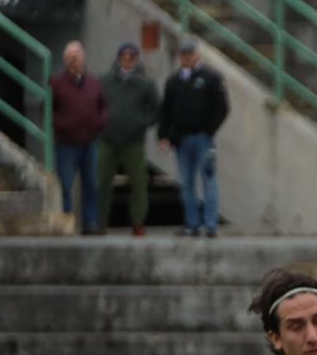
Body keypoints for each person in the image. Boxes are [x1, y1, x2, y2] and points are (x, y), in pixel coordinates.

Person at [159, 38, 229, 238]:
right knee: (186, 183)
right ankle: (192, 224)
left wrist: (209, 129)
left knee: (208, 180)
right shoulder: (174, 81)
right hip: (182, 139)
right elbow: (166, 110)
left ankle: (211, 225)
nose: (187, 57)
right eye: (184, 54)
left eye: (190, 53)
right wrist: (164, 134)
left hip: (203, 138)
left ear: (197, 54)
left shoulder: (211, 77)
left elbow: (222, 107)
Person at [98, 42, 160, 237]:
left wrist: (140, 123)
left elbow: (156, 109)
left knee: (138, 183)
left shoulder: (146, 84)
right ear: (118, 58)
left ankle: (138, 222)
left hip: (134, 142)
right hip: (108, 139)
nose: (127, 59)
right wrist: (102, 123)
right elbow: (95, 105)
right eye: (124, 56)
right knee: (101, 182)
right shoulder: (104, 81)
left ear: (136, 58)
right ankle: (99, 222)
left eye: (131, 56)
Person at [48, 41, 107, 235]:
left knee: (91, 184)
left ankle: (90, 222)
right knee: (65, 184)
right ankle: (67, 221)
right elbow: (46, 108)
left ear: (83, 57)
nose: (73, 60)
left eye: (76, 56)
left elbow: (103, 106)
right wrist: (61, 124)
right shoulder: (56, 82)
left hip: (90, 142)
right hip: (66, 144)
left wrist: (99, 122)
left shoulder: (94, 82)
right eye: (69, 57)